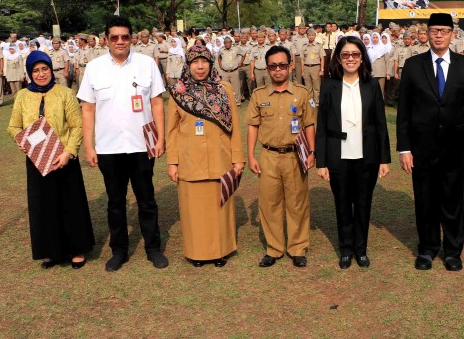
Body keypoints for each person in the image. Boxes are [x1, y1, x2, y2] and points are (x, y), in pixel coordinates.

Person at [77, 16, 169, 272]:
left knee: (146, 200)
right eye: (114, 37)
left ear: (131, 38)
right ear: (106, 39)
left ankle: (153, 248)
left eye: (125, 36)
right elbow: (88, 108)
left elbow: (157, 103)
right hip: (109, 148)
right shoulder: (94, 68)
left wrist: (161, 138)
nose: (120, 41)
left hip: (142, 145)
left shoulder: (146, 64)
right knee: (115, 203)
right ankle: (119, 251)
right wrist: (89, 146)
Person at [397, 13, 464, 272]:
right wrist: (404, 148)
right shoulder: (413, 65)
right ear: (427, 33)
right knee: (425, 200)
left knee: (452, 199)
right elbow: (404, 110)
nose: (439, 35)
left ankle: (453, 251)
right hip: (422, 147)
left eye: (444, 30)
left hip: (455, 146)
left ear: (452, 34)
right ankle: (428, 248)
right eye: (435, 30)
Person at [7, 51, 95, 269]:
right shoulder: (22, 96)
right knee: (43, 206)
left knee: (70, 204)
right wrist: (20, 140)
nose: (41, 74)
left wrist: (68, 152)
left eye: (44, 69)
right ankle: (50, 251)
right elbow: (14, 125)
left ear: (50, 69)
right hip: (37, 159)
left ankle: (76, 249)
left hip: (64, 158)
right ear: (30, 73)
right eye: (36, 70)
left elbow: (76, 126)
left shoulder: (65, 93)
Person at [166, 45, 245, 267]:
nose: (200, 67)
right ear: (188, 65)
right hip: (190, 160)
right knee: (194, 211)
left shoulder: (224, 89)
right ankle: (197, 253)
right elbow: (171, 131)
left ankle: (221, 251)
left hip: (220, 158)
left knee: (219, 209)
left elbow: (235, 126)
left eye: (204, 62)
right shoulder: (178, 92)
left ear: (211, 64)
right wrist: (172, 162)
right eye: (195, 62)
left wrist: (238, 158)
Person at [316, 37, 391, 269]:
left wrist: (384, 159)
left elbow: (380, 124)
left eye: (355, 54)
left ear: (362, 58)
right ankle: (346, 250)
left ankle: (361, 250)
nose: (351, 59)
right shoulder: (329, 86)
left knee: (362, 204)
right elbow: (322, 126)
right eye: (346, 54)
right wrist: (321, 162)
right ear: (338, 58)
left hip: (366, 157)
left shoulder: (371, 85)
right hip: (338, 156)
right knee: (342, 204)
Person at [246, 46, 317, 268]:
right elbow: (253, 126)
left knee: (297, 203)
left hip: (295, 156)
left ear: (290, 66)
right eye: (273, 66)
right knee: (270, 204)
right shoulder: (259, 95)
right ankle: (274, 249)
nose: (278, 70)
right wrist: (251, 156)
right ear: (267, 68)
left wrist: (312, 152)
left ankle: (297, 248)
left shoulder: (302, 93)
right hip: (268, 156)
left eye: (282, 65)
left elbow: (309, 124)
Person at [217, 36, 243, 106]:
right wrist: (220, 64)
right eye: (225, 43)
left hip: (234, 71)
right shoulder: (221, 50)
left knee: (236, 87)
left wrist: (241, 62)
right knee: (225, 87)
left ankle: (237, 102)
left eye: (228, 43)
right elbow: (219, 57)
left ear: (231, 43)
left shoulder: (236, 49)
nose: (227, 44)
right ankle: (226, 102)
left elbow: (243, 54)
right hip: (225, 72)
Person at [301, 29, 324, 104]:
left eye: (312, 35)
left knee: (316, 87)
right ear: (307, 36)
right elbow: (302, 60)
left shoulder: (319, 45)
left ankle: (316, 102)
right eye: (309, 35)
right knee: (308, 87)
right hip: (306, 68)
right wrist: (302, 71)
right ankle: (310, 104)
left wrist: (322, 70)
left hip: (316, 68)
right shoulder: (304, 46)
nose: (311, 37)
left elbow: (322, 58)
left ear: (315, 36)